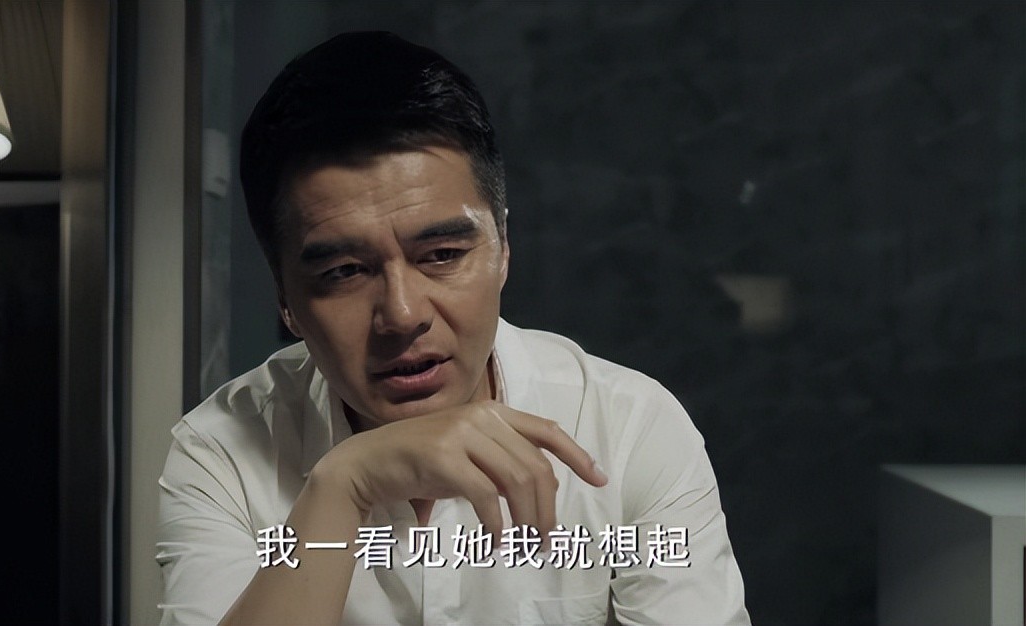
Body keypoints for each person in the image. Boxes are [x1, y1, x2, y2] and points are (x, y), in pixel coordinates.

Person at [157, 31, 749, 625]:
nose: (403, 314)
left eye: (441, 255)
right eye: (344, 271)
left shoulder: (626, 429)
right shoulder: (222, 453)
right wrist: (344, 484)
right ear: (285, 298)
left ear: (503, 247)